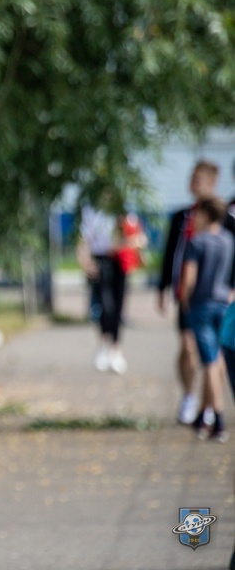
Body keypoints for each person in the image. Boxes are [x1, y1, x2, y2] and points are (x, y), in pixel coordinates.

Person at [158, 161, 235, 424]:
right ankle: (190, 397)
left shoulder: (225, 220)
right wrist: (163, 287)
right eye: (191, 178)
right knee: (189, 347)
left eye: (198, 179)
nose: (192, 184)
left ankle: (210, 408)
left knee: (214, 355)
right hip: (189, 298)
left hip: (217, 297)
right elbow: (170, 254)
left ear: (212, 183)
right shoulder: (182, 217)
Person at [178, 197, 232, 443]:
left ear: (206, 215)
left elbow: (189, 277)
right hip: (224, 303)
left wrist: (184, 300)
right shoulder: (228, 240)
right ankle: (204, 415)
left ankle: (217, 417)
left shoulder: (197, 242)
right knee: (218, 360)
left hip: (202, 305)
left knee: (209, 361)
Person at [76, 203, 144, 374]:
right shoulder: (91, 209)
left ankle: (115, 349)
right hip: (101, 260)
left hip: (120, 261)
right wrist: (85, 262)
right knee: (105, 306)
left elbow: (138, 237)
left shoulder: (123, 209)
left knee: (118, 306)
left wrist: (128, 243)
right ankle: (104, 345)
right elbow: (84, 238)